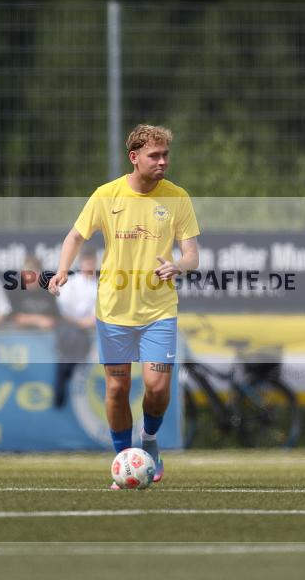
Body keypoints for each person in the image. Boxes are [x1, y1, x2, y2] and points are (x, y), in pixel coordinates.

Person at [48, 124, 200, 488]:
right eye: (154, 156)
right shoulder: (106, 195)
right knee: (116, 388)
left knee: (157, 386)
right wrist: (62, 270)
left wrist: (178, 264)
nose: (162, 161)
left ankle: (148, 440)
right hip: (115, 311)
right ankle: (122, 459)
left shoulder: (177, 197)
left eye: (165, 155)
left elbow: (192, 254)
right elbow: (76, 235)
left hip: (158, 311)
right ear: (134, 158)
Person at [54, 247, 100, 408]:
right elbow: (64, 311)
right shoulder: (70, 283)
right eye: (85, 260)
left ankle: (68, 370)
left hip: (90, 331)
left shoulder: (99, 285)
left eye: (91, 260)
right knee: (72, 333)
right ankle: (65, 374)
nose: (88, 264)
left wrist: (87, 323)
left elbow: (100, 313)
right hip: (72, 330)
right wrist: (79, 323)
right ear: (80, 262)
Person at [8, 254, 59, 331]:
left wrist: (49, 321)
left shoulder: (49, 291)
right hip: (20, 334)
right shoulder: (15, 290)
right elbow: (13, 317)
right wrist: (38, 320)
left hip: (46, 334)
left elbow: (56, 317)